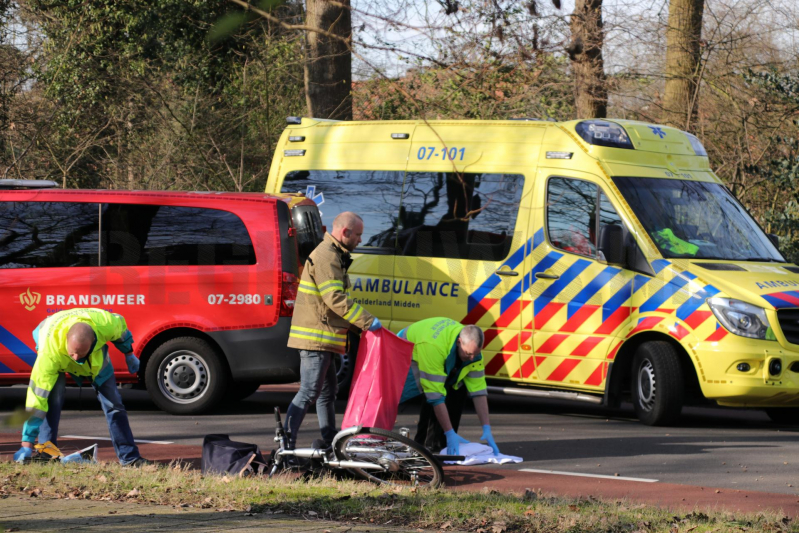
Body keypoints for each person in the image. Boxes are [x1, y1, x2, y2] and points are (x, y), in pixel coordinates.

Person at [286, 211, 380, 449]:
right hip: (315, 339)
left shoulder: (334, 254)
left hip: (322, 338)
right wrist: (368, 322)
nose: (360, 240)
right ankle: (285, 445)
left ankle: (329, 442)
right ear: (345, 232)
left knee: (327, 394)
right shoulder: (327, 256)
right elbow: (335, 299)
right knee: (309, 392)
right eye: (358, 235)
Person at [13, 308, 152, 466]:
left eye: (81, 353)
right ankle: (46, 454)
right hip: (57, 355)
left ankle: (130, 458)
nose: (76, 358)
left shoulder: (106, 323)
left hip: (95, 364)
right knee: (51, 399)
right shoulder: (49, 354)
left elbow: (121, 332)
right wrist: (26, 443)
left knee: (114, 405)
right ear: (66, 339)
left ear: (94, 341)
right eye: (73, 353)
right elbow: (36, 398)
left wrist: (128, 353)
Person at [398, 317, 500, 456]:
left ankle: (443, 445)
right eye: (469, 354)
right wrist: (450, 432)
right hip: (408, 352)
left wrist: (486, 427)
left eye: (475, 354)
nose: (472, 358)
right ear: (459, 342)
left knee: (458, 389)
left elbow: (479, 391)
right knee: (427, 394)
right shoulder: (434, 347)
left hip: (440, 350)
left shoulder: (473, 351)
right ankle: (423, 448)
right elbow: (435, 396)